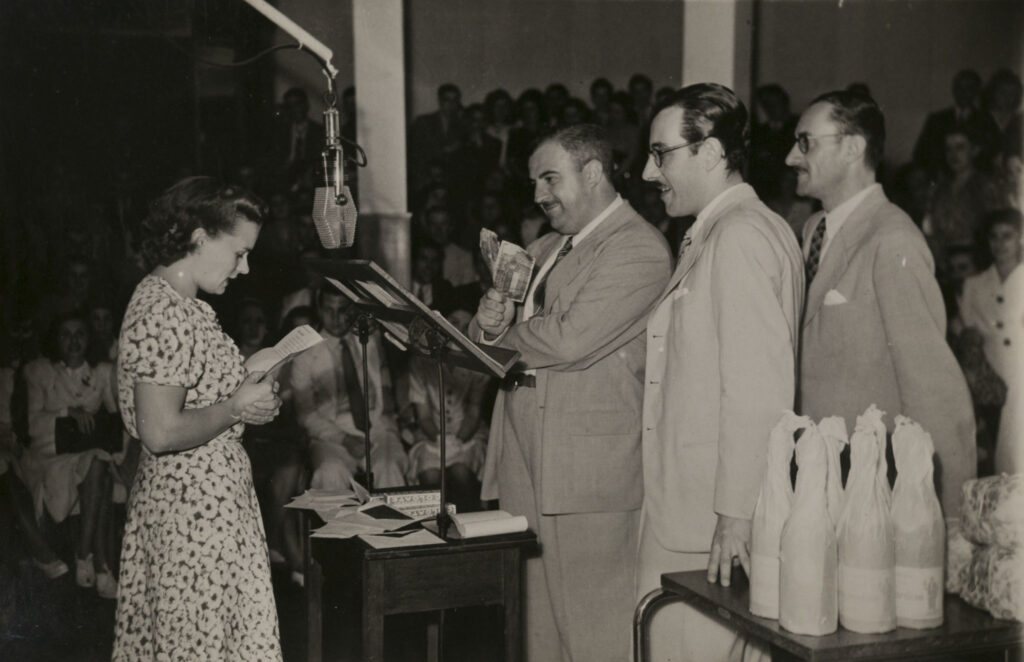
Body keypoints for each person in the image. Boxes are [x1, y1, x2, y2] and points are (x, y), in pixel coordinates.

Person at [471, 123, 671, 662]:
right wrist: (488, 322)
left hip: (587, 473)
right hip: (525, 455)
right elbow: (486, 340)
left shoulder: (639, 248)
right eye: (535, 181)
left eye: (550, 179)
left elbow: (568, 340)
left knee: (595, 634)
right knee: (536, 632)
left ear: (594, 173)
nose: (539, 194)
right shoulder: (543, 245)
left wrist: (501, 339)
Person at [638, 83, 804, 662]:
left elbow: (757, 392)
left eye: (660, 154)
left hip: (708, 525)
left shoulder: (738, 237)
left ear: (709, 153)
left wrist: (733, 518)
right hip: (692, 511)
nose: (647, 172)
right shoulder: (725, 230)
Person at [113, 177, 283, 661]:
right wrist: (235, 407)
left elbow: (192, 400)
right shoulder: (161, 311)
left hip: (209, 514)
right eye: (239, 253)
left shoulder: (187, 307)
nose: (245, 268)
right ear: (200, 237)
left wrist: (250, 394)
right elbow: (161, 432)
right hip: (191, 522)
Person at [786, 89, 976, 516]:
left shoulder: (892, 239)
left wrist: (949, 518)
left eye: (805, 143)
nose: (790, 158)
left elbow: (935, 390)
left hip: (868, 486)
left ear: (853, 148)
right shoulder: (812, 229)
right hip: (816, 473)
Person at [21, 310, 121, 599]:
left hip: (86, 456)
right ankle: (101, 567)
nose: (73, 341)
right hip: (49, 457)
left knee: (99, 460)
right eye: (66, 334)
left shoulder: (100, 373)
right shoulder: (40, 372)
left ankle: (84, 556)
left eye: (80, 334)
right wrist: (68, 413)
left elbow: (116, 420)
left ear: (89, 339)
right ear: (55, 339)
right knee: (98, 465)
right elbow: (32, 425)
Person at [291, 286, 408, 490]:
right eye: (329, 310)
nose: (336, 318)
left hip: (376, 426)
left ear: (353, 309)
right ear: (318, 310)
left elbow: (394, 371)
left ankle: (391, 523)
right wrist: (344, 439)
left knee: (389, 467)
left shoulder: (370, 338)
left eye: (342, 309)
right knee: (330, 472)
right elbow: (305, 414)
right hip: (331, 433)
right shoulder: (304, 354)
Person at [959, 209, 1023, 473]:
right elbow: (971, 336)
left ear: (1020, 238)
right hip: (991, 377)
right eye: (994, 237)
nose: (1000, 244)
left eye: (1007, 236)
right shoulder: (974, 285)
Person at [406, 308, 488, 513]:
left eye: (466, 326)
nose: (458, 331)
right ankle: (432, 529)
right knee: (430, 476)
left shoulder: (478, 364)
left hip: (467, 434)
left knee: (461, 474)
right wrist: (439, 438)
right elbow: (423, 415)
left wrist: (458, 439)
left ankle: (467, 527)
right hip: (431, 434)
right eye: (453, 323)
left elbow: (474, 410)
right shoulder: (421, 363)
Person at [913, 69, 1000, 177]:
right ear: (953, 90)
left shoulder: (986, 120)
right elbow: (920, 153)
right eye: (960, 87)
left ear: (976, 91)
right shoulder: (937, 119)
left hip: (973, 179)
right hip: (940, 177)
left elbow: (992, 153)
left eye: (969, 88)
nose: (963, 92)